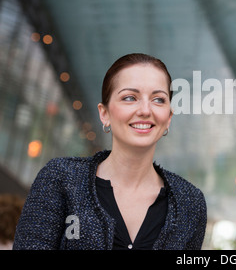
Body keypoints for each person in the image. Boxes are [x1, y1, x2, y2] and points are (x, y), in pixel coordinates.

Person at [13, 53, 207, 250]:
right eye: (130, 98)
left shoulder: (190, 203)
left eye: (158, 99)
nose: (145, 110)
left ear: (169, 118)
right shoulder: (61, 178)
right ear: (104, 113)